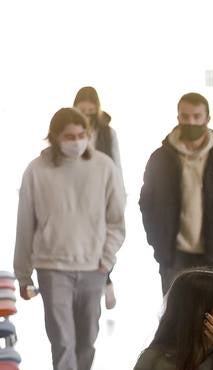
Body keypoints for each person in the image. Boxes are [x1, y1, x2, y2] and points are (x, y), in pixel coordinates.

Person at [13, 107, 126, 370]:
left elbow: (117, 221)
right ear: (55, 137)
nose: (76, 143)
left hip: (93, 267)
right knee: (62, 342)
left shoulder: (104, 167)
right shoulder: (36, 171)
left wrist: (106, 260)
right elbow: (24, 224)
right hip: (52, 267)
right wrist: (23, 273)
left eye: (81, 136)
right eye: (69, 137)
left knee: (86, 340)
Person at [139, 92, 213, 294]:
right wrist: (157, 241)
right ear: (178, 118)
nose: (191, 122)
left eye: (197, 116)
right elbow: (147, 203)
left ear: (207, 119)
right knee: (175, 319)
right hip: (174, 256)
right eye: (185, 116)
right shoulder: (160, 158)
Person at [73, 86, 123, 310]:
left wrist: (119, 196)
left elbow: (116, 164)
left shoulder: (107, 132)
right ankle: (99, 283)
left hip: (103, 195)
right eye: (81, 109)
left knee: (105, 241)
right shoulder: (70, 131)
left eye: (90, 109)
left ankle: (107, 280)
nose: (86, 114)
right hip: (75, 197)